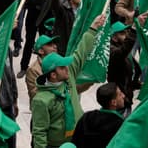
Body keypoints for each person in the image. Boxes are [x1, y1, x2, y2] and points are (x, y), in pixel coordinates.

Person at [30, 13, 106, 148]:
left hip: (77, 139)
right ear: (53, 75)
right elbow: (39, 133)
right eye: (62, 67)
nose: (67, 68)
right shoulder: (41, 100)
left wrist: (93, 29)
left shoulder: (67, 75)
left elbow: (80, 52)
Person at [71, 83, 126, 148]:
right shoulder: (120, 125)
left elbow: (74, 141)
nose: (123, 96)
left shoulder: (86, 117)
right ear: (113, 102)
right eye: (120, 94)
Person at [25, 34, 60, 102]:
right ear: (41, 51)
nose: (55, 46)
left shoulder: (60, 63)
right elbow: (36, 95)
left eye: (54, 44)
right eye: (50, 45)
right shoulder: (33, 70)